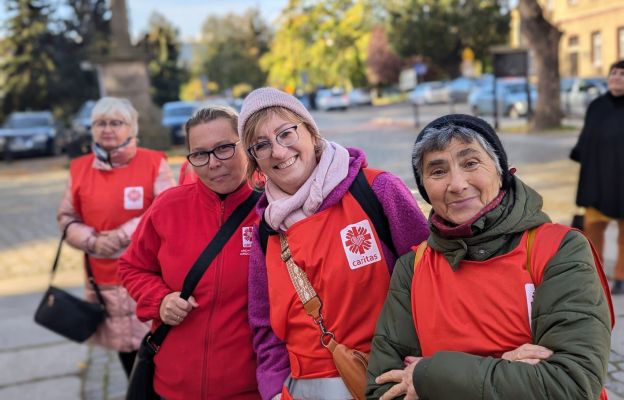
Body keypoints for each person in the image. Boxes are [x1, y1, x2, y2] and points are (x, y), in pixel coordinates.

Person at [367, 114, 613, 399]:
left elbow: (571, 385)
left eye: (471, 163)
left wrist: (429, 376)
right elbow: (382, 390)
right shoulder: (413, 269)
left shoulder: (559, 249)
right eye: (437, 171)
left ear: (501, 171)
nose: (457, 184)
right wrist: (508, 372)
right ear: (424, 189)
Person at [238, 87, 429, 399]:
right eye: (261, 145)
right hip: (305, 389)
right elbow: (264, 325)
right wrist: (274, 391)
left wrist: (425, 367)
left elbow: (433, 280)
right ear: (255, 161)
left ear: (311, 133)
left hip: (389, 380)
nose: (278, 150)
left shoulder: (376, 190)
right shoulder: (266, 231)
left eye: (286, 133)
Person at [119, 106, 262, 399]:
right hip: (175, 386)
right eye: (200, 154)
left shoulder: (272, 210)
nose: (213, 163)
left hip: (250, 388)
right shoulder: (168, 207)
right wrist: (160, 300)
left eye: (224, 148)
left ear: (245, 145)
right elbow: (131, 267)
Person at [56, 96, 175, 376]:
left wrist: (122, 235)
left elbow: (167, 209)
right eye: (100, 123)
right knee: (125, 350)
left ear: (131, 128)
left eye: (115, 123)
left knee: (159, 349)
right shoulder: (79, 168)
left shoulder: (153, 163)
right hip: (102, 276)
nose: (107, 129)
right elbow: (66, 217)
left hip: (148, 273)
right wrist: (93, 240)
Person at [571, 60, 624, 294]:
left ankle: (622, 277)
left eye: (622, 74)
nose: (616, 77)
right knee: (592, 232)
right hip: (597, 181)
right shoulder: (596, 106)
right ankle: (595, 278)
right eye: (613, 73)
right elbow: (585, 141)